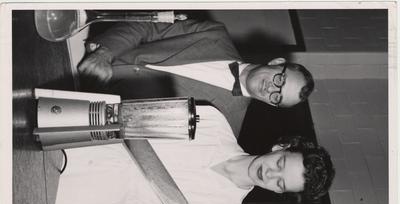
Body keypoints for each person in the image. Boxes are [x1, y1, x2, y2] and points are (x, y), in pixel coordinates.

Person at [52, 104, 334, 204]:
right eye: (281, 164)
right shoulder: (212, 122)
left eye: (280, 183)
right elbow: (128, 114)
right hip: (78, 136)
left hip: (79, 198)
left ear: (278, 193)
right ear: (280, 147)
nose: (270, 174)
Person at [78, 18, 315, 138]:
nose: (270, 89)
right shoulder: (214, 34)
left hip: (89, 115)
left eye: (277, 97)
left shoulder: (226, 128)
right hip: (85, 56)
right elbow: (147, 27)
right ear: (277, 63)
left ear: (271, 105)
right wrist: (105, 52)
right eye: (280, 81)